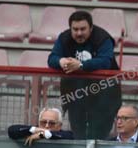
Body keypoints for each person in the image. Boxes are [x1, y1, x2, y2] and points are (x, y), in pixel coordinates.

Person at [47, 10, 121, 140]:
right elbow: (52, 58)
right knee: (78, 134)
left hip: (104, 96)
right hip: (75, 96)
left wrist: (81, 65)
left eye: (83, 29)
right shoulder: (64, 37)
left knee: (98, 135)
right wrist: (61, 61)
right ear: (70, 28)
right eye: (75, 29)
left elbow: (105, 62)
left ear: (91, 28)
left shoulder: (103, 38)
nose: (79, 33)